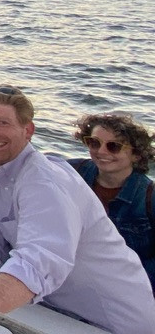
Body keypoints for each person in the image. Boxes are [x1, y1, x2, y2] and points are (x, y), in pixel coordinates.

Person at [0, 86, 155, 334]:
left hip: (113, 321)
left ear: (28, 130)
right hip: (53, 310)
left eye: (3, 123)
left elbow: (41, 258)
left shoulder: (45, 180)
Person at [68, 112, 155, 292]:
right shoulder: (71, 172)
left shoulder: (148, 197)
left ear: (136, 155)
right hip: (72, 276)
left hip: (130, 288)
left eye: (113, 146)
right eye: (94, 143)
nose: (101, 151)